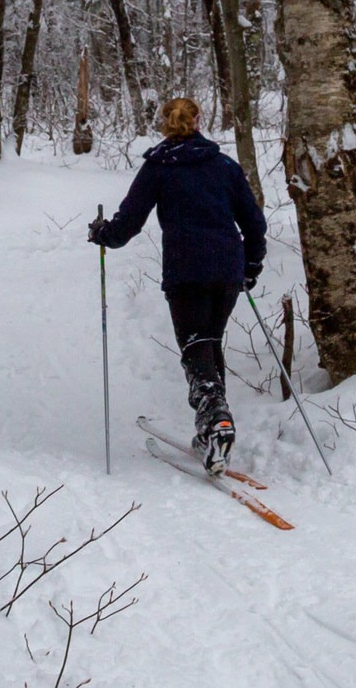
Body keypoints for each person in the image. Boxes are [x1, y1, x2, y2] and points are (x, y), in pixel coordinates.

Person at [88, 97, 265, 474]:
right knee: (209, 343)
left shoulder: (159, 168)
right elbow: (254, 222)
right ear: (199, 121)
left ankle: (215, 418)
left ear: (163, 125)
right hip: (227, 270)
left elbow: (129, 222)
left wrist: (104, 234)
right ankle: (213, 430)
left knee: (195, 346)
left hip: (187, 271)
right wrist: (250, 265)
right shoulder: (224, 166)